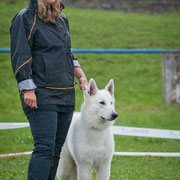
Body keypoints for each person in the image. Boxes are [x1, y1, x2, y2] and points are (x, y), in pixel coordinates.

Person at [10, 0, 88, 179]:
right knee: (44, 148)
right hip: (41, 94)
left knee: (55, 151)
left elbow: (66, 51)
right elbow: (20, 54)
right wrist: (27, 89)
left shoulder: (62, 19)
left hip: (66, 94)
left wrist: (80, 75)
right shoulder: (25, 18)